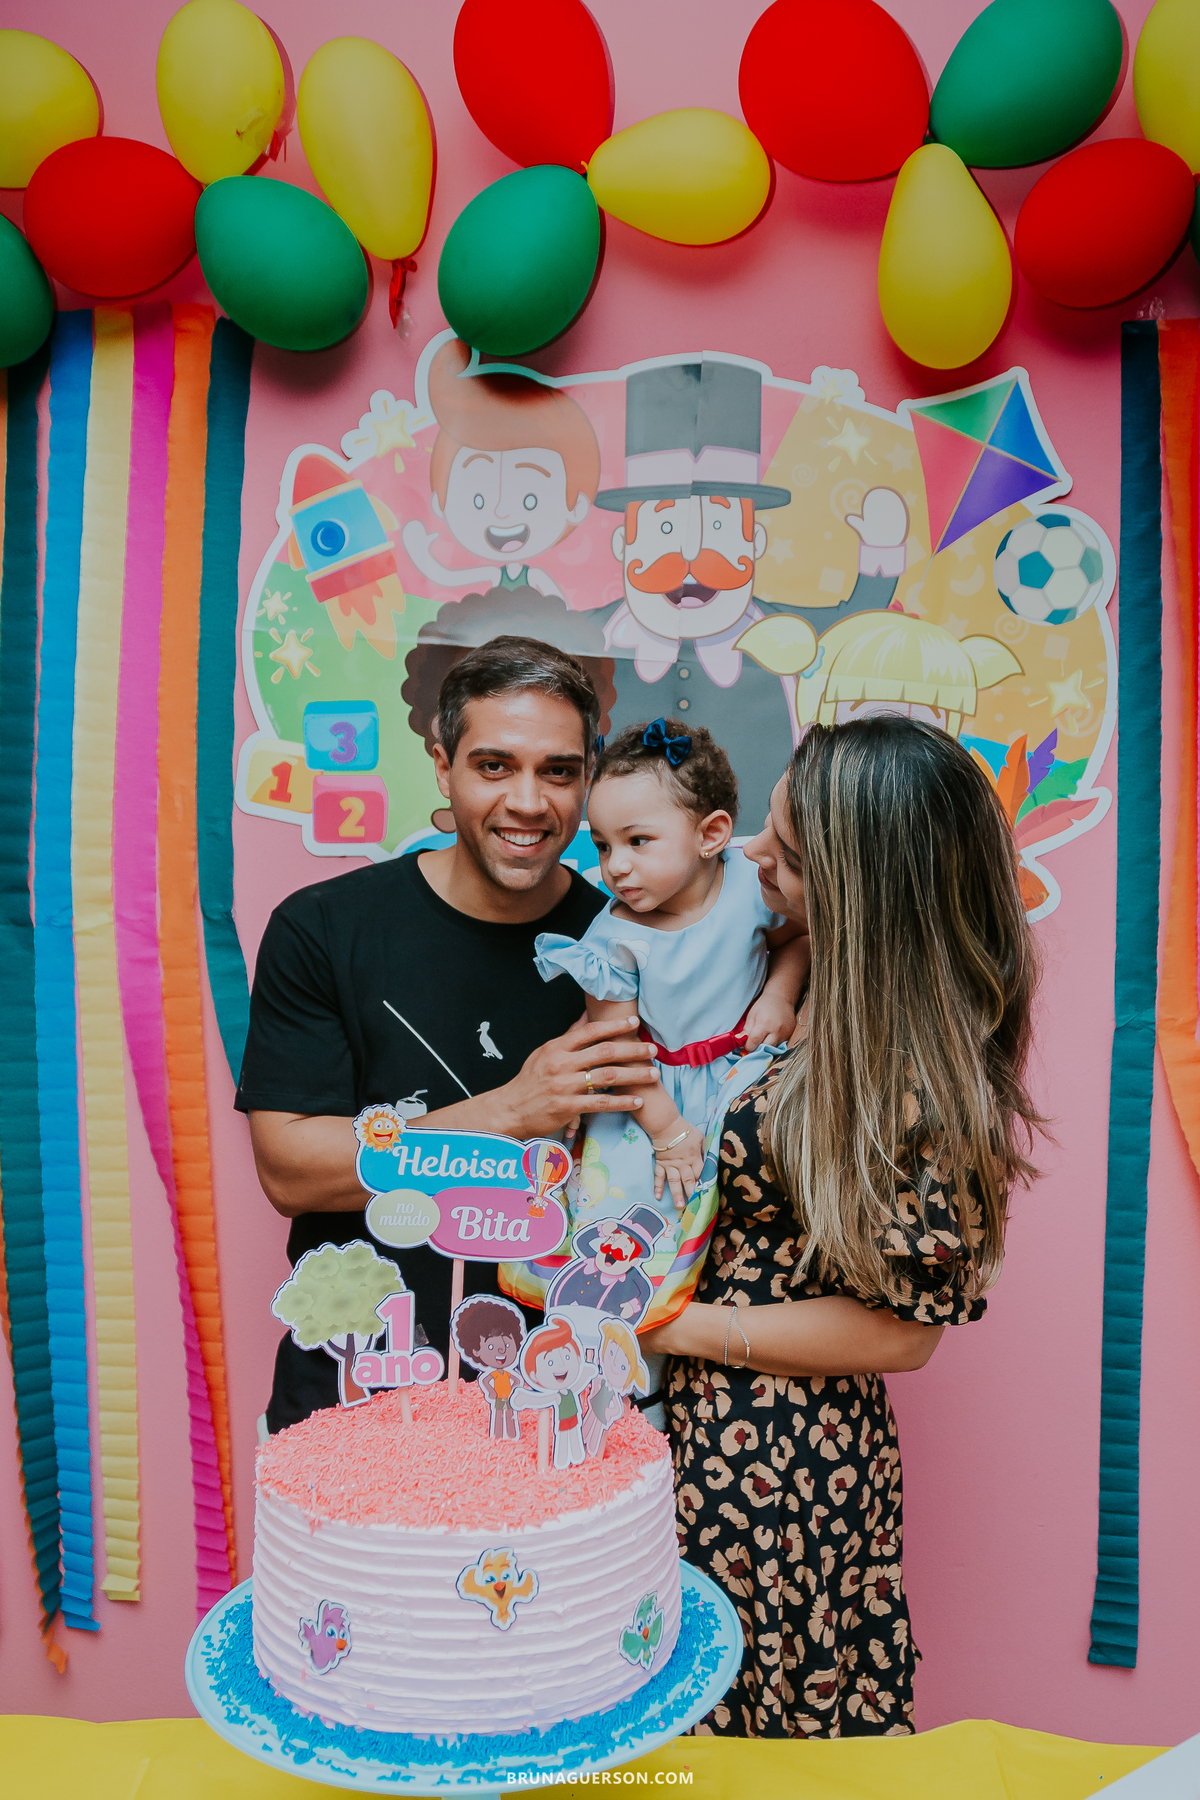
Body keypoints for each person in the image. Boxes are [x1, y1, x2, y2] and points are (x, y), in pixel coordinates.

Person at [640, 716, 1041, 1738]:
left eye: (787, 855)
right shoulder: (824, 978)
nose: (755, 859)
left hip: (778, 1468)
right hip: (700, 1428)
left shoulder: (911, 1085)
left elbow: (905, 1332)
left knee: (748, 1736)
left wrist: (679, 1327)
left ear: (860, 890)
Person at [238, 637, 660, 1432]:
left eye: (559, 771)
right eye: (494, 766)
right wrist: (507, 1113)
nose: (529, 803)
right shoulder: (324, 928)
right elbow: (292, 1170)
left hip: (570, 1411)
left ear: (590, 775)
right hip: (358, 1401)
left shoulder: (633, 942)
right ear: (442, 764)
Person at [534, 718, 807, 1216]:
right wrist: (668, 1131)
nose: (615, 865)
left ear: (711, 834)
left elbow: (800, 938)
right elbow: (619, 1047)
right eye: (603, 844)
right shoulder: (613, 938)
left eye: (638, 841)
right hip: (652, 1094)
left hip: (744, 1077)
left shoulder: (752, 884)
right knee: (648, 1211)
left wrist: (779, 996)